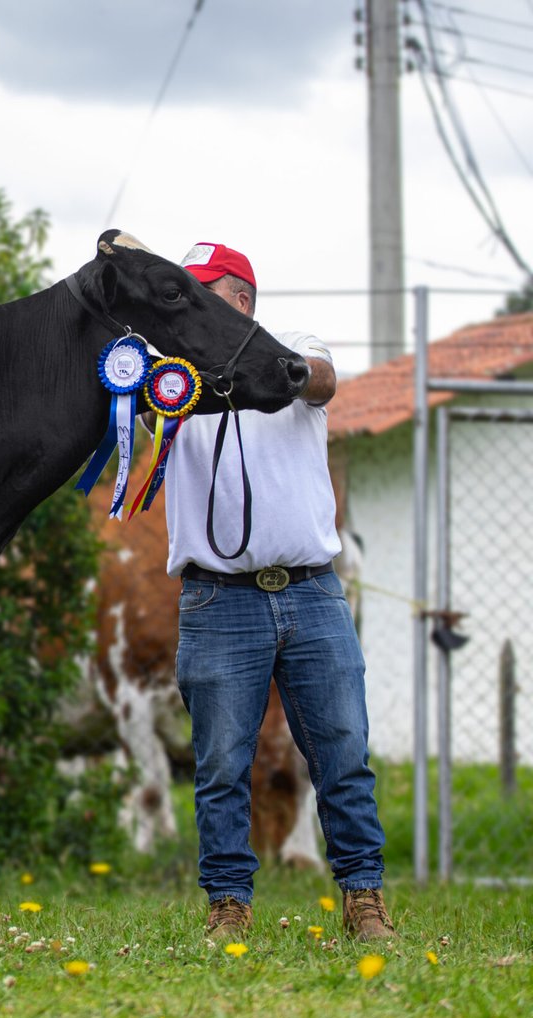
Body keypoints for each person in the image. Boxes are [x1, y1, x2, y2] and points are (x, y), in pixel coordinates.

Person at [162, 241, 395, 942]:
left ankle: (364, 898)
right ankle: (228, 904)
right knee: (221, 764)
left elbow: (322, 381)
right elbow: (141, 412)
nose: (190, 306)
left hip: (312, 591)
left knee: (343, 752)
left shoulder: (293, 345)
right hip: (218, 596)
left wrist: (277, 370)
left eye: (202, 292)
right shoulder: (174, 372)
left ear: (239, 298)